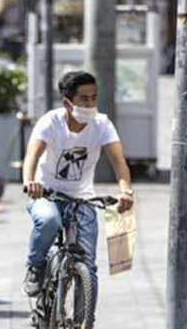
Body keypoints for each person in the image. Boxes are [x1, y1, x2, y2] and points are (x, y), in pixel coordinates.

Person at [22, 71, 134, 304]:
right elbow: (33, 153)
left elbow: (118, 160)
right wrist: (30, 181)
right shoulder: (50, 122)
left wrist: (126, 190)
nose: (90, 104)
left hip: (82, 198)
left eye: (94, 98)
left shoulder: (102, 124)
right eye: (84, 99)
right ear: (67, 102)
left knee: (88, 266)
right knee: (49, 220)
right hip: (46, 194)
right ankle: (35, 266)